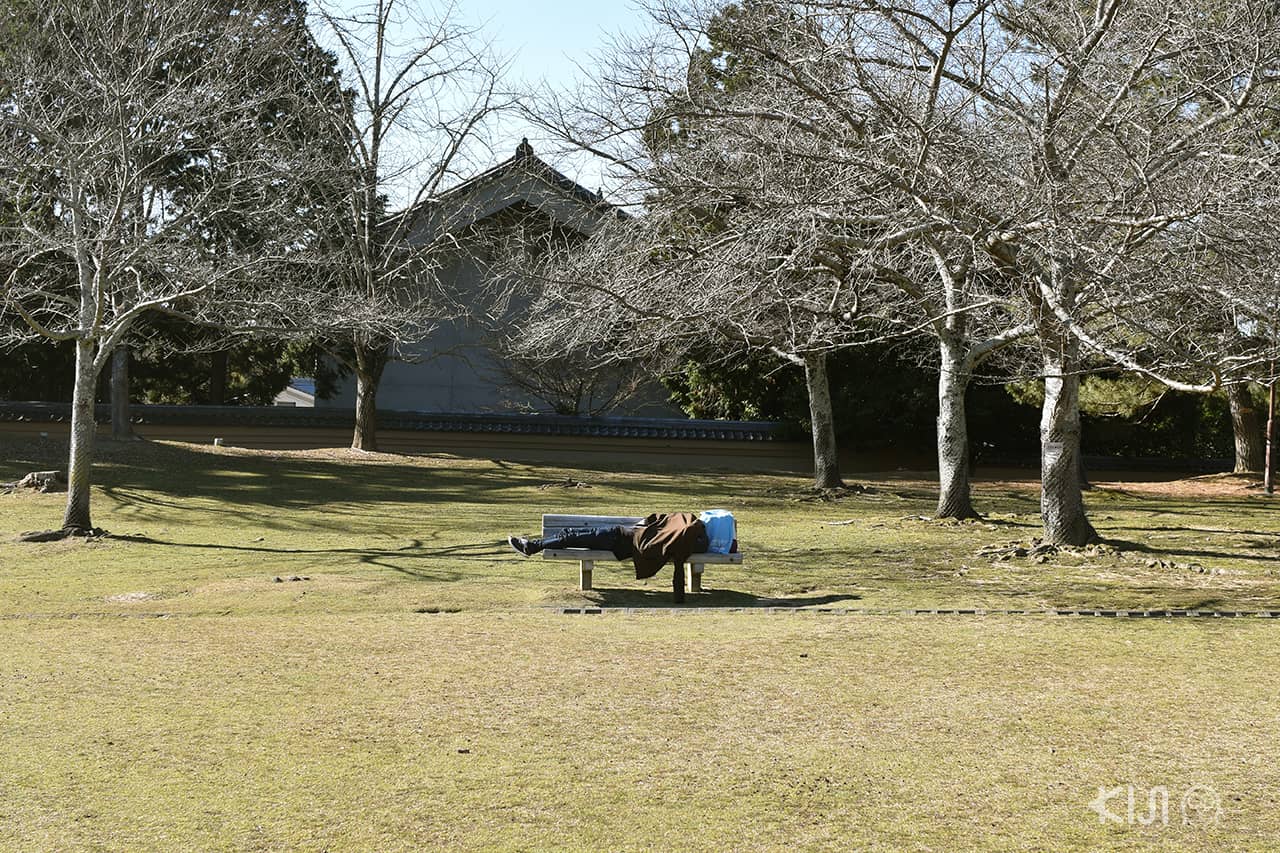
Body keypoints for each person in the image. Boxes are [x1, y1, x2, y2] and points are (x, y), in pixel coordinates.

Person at [509, 512, 709, 603]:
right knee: (570, 534)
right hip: (617, 535)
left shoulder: (684, 532)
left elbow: (660, 544)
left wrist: (679, 599)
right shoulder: (684, 532)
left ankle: (532, 546)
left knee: (571, 536)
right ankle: (533, 546)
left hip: (616, 538)